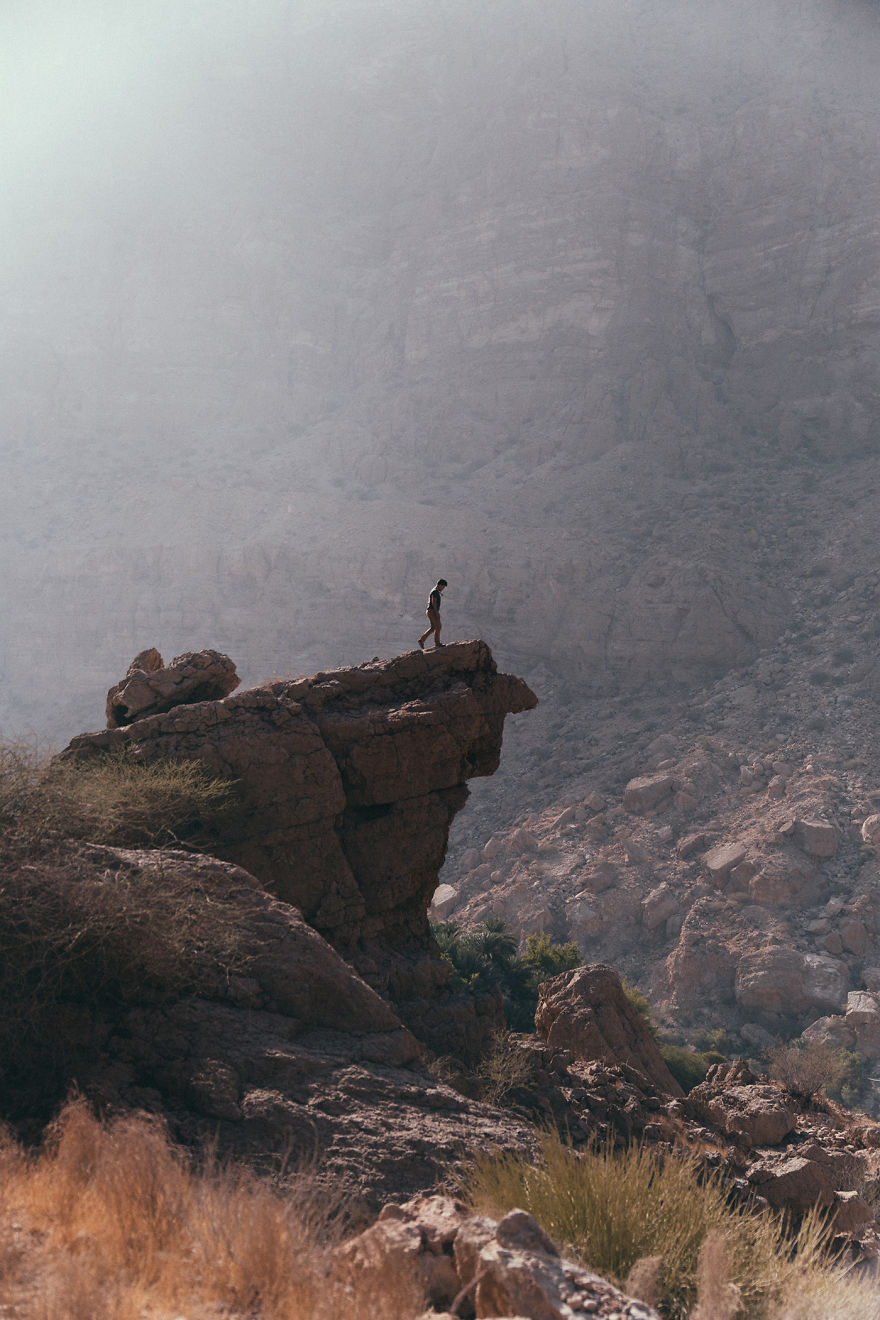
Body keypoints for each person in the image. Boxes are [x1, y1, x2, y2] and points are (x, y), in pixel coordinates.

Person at [418, 578, 447, 649]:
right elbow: (434, 602)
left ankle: (421, 640)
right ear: (440, 585)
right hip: (432, 611)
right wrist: (436, 613)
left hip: (431, 611)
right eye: (443, 587)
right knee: (438, 626)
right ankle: (437, 643)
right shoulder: (435, 592)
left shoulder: (435, 590)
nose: (443, 588)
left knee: (433, 627)